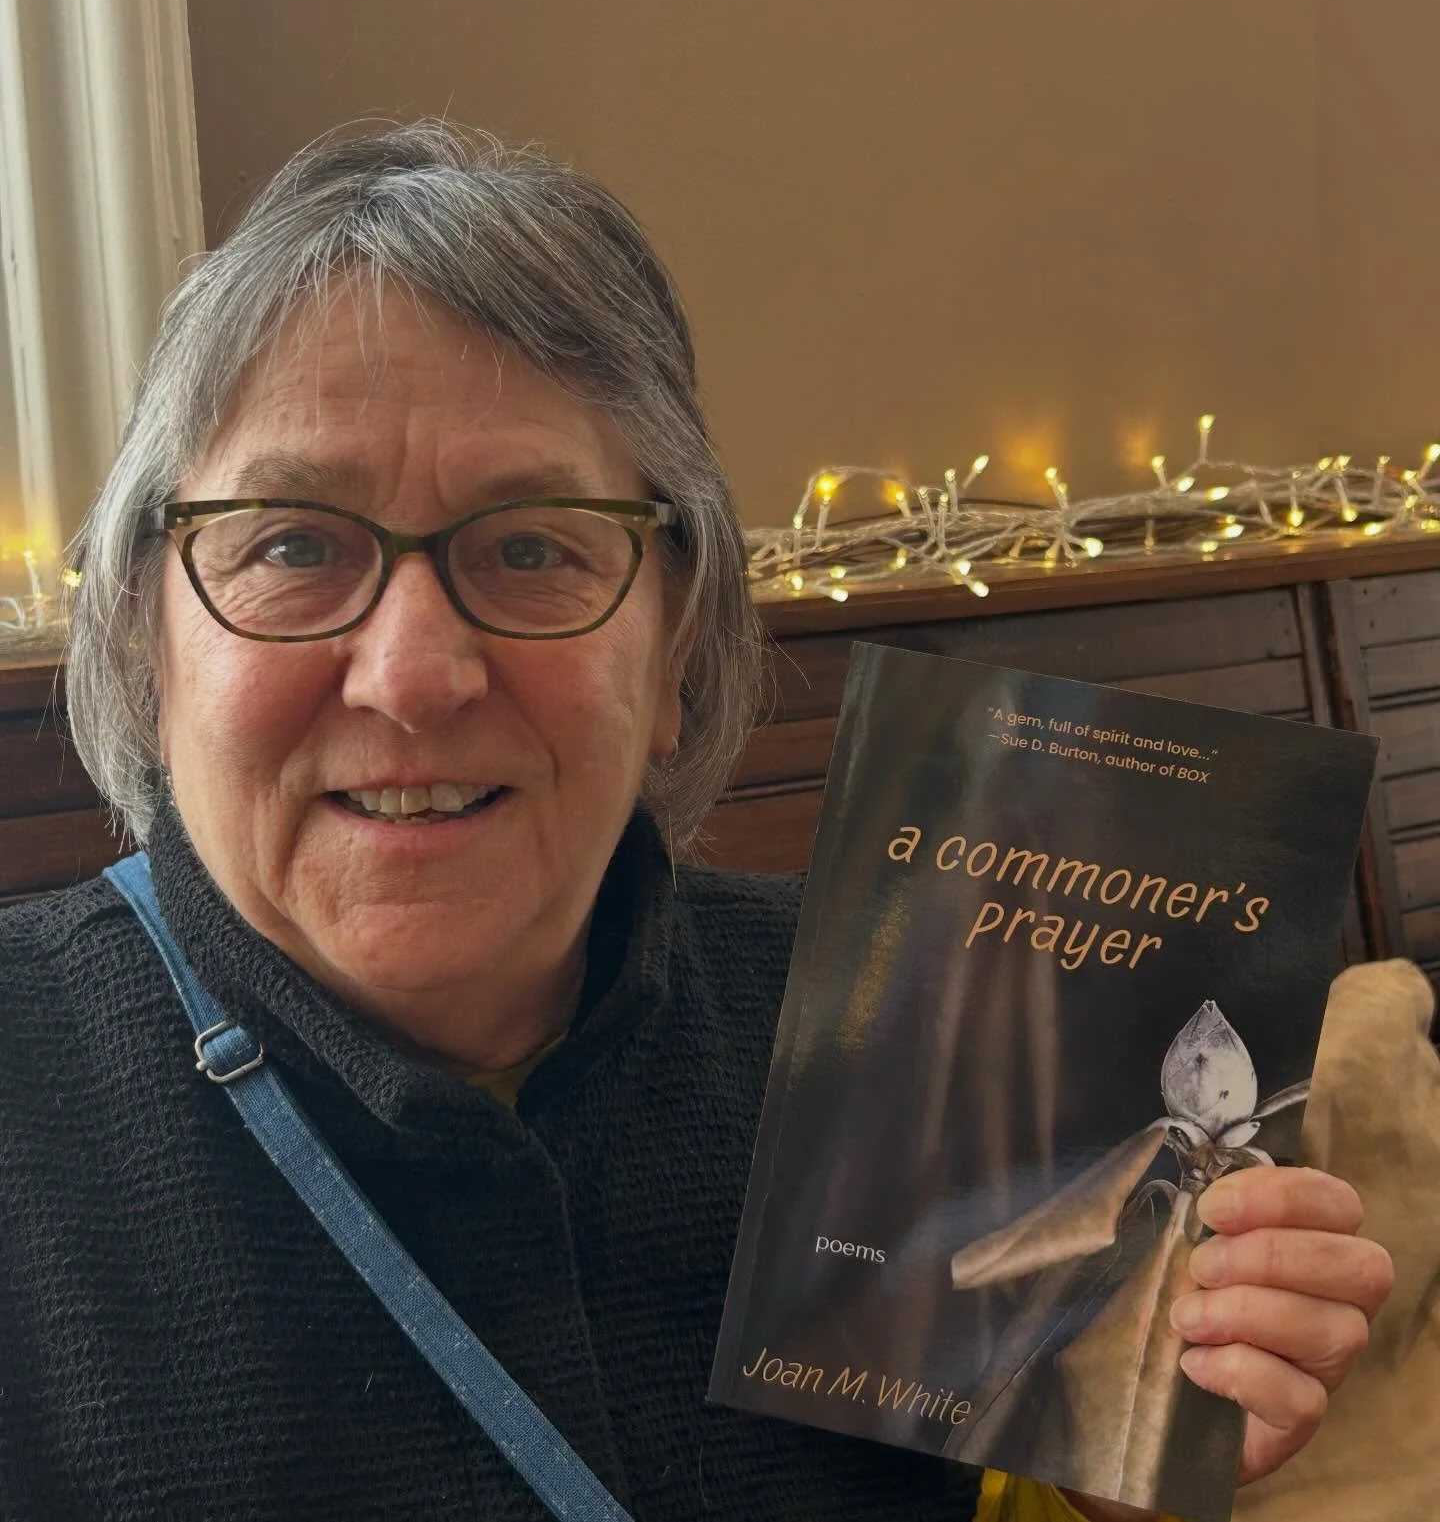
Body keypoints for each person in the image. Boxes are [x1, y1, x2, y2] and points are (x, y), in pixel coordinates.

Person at [0, 121, 1392, 1522]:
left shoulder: (896, 1029)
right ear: (146, 641)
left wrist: (1129, 1468)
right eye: (292, 543)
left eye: (536, 545)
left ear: (676, 652)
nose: (415, 674)